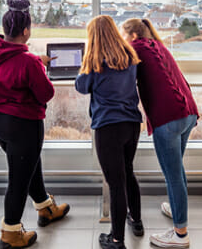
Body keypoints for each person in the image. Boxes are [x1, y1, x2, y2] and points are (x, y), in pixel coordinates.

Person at [0, 0, 71, 249]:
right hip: (23, 125)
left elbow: (11, 67)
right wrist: (40, 67)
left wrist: (35, 63)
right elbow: (46, 94)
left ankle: (45, 206)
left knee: (27, 165)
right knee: (18, 180)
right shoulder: (29, 61)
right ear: (25, 31)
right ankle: (10, 233)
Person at [121, 18, 199, 249]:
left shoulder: (135, 49)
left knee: (173, 175)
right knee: (177, 170)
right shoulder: (159, 45)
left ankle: (180, 235)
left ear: (133, 36)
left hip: (168, 119)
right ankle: (177, 210)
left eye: (123, 36)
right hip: (188, 113)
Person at [75, 16, 144, 249]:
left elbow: (81, 87)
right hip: (132, 124)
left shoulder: (96, 63)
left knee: (115, 183)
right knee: (128, 172)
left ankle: (116, 239)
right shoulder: (130, 57)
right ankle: (136, 221)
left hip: (108, 127)